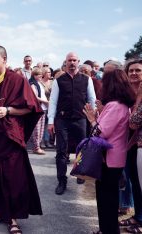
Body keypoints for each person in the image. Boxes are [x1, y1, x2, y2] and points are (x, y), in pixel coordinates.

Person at [0, 45, 43, 234]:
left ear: (4, 59)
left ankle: (13, 218)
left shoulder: (17, 80)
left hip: (10, 137)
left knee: (12, 177)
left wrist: (8, 110)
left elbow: (31, 107)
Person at [83, 69, 135, 234]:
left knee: (106, 201)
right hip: (116, 158)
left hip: (108, 159)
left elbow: (101, 132)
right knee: (110, 200)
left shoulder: (114, 105)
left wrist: (92, 119)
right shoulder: (123, 105)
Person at [48, 52, 96, 195]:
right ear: (66, 62)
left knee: (82, 149)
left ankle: (80, 174)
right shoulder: (59, 80)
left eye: (74, 60)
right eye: (69, 60)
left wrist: (92, 117)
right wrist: (51, 121)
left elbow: (92, 99)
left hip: (81, 119)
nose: (72, 63)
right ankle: (61, 180)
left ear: (78, 62)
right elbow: (53, 102)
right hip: (62, 119)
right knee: (61, 151)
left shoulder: (87, 80)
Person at [119, 59, 142, 233]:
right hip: (128, 144)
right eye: (131, 70)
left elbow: (133, 123)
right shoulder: (125, 93)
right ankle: (138, 217)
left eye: (138, 70)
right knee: (134, 181)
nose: (134, 73)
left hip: (139, 143)